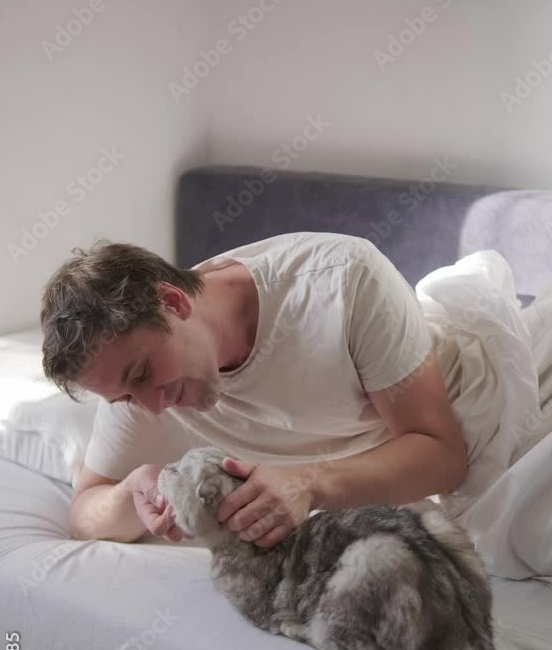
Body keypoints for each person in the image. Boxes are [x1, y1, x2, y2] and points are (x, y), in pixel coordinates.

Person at [41, 232, 539, 548]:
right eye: (126, 399)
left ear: (173, 303)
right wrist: (133, 490)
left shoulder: (342, 281)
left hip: (493, 406)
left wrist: (307, 483)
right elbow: (84, 514)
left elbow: (443, 456)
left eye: (142, 376)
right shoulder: (127, 368)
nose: (151, 408)